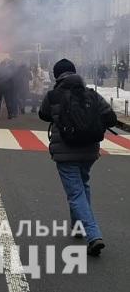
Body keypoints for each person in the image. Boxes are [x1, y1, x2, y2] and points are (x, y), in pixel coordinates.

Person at [38, 59, 116, 256]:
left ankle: (93, 236)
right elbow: (111, 118)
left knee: (75, 193)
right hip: (89, 150)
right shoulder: (90, 94)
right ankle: (78, 227)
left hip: (65, 151)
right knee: (83, 185)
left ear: (57, 75)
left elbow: (43, 115)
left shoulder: (53, 95)